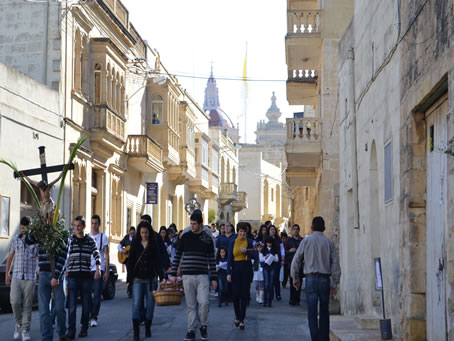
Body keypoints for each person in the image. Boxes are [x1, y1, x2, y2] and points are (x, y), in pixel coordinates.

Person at [169, 210, 217, 341]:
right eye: (191, 223)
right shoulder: (185, 236)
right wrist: (173, 273)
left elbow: (212, 259)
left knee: (204, 303)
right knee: (190, 305)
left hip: (202, 276)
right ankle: (191, 330)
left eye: (195, 224)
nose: (192, 226)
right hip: (187, 276)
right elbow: (178, 255)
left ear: (200, 224)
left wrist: (214, 278)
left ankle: (203, 326)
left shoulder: (207, 238)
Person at [291, 216, 341, 341]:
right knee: (324, 311)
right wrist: (335, 282)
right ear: (324, 228)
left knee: (312, 311)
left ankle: (314, 338)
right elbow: (335, 262)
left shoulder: (306, 241)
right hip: (324, 279)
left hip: (311, 279)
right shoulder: (329, 242)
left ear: (312, 228)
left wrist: (295, 278)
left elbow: (296, 260)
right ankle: (324, 338)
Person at [25, 225, 68, 341]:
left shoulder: (63, 233)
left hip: (58, 275)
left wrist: (56, 276)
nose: (48, 217)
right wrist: (34, 228)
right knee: (44, 310)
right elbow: (28, 241)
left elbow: (64, 256)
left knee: (59, 308)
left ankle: (62, 332)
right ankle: (46, 337)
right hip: (43, 274)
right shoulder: (41, 231)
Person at [128, 221, 165, 341]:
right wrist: (129, 279)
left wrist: (162, 277)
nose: (144, 235)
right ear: (139, 233)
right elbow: (131, 262)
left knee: (150, 305)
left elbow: (158, 262)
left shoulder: (153, 244)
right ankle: (136, 332)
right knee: (136, 304)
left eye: (146, 233)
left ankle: (148, 326)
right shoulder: (135, 244)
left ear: (149, 233)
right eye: (142, 233)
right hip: (138, 279)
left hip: (151, 279)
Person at [66, 216, 101, 339]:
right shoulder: (70, 240)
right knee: (72, 305)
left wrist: (97, 269)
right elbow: (65, 256)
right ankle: (71, 330)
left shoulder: (90, 240)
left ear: (84, 226)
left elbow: (96, 254)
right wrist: (66, 270)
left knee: (86, 304)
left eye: (79, 226)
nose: (76, 228)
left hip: (86, 277)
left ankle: (84, 328)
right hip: (72, 277)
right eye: (75, 226)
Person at [5, 217, 39, 341]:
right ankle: (18, 323)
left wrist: (38, 270)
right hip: (16, 276)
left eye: (27, 226)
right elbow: (9, 258)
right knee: (14, 302)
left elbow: (37, 259)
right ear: (20, 226)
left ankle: (25, 330)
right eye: (23, 226)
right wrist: (7, 275)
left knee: (28, 305)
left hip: (30, 277)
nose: (24, 228)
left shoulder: (35, 241)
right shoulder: (15, 240)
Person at [226, 222, 254, 330]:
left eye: (244, 231)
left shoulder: (249, 242)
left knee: (243, 295)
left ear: (246, 232)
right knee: (235, 295)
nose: (242, 233)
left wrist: (247, 251)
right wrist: (228, 273)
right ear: (237, 232)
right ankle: (237, 316)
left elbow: (254, 256)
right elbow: (229, 259)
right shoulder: (232, 242)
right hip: (236, 269)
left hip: (246, 269)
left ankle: (242, 319)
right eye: (240, 231)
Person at [88, 214, 109, 328]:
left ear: (99, 224)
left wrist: (106, 271)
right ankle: (89, 314)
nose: (94, 225)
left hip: (98, 269)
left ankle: (94, 317)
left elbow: (106, 254)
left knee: (96, 294)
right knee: (87, 295)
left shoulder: (103, 237)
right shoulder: (87, 236)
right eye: (92, 223)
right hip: (87, 269)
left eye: (96, 223)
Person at [286, 224, 303, 306]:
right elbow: (284, 253)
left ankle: (298, 299)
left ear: (299, 230)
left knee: (299, 282)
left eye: (297, 229)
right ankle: (292, 299)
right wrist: (290, 251)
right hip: (291, 264)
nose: (296, 230)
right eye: (294, 229)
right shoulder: (289, 241)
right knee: (293, 282)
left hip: (300, 265)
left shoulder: (302, 240)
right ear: (292, 231)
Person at [260, 237, 279, 307]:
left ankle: (269, 301)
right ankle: (265, 301)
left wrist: (272, 257)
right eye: (268, 243)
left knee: (271, 284)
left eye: (270, 243)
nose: (269, 244)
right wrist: (265, 257)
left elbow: (277, 259)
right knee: (266, 284)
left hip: (272, 268)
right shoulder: (263, 250)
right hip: (265, 267)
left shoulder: (274, 250)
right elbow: (260, 259)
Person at [118, 226, 136, 298]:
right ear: (128, 232)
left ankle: (132, 289)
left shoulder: (136, 239)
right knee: (130, 272)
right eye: (131, 233)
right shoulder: (126, 239)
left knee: (133, 273)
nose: (132, 234)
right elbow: (119, 246)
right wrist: (123, 251)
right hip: (127, 259)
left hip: (134, 258)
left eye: (133, 233)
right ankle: (129, 289)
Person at [269, 225, 283, 301]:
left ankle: (278, 294)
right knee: (270, 279)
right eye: (271, 229)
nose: (272, 231)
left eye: (274, 229)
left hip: (277, 260)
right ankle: (270, 295)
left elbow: (282, 249)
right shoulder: (267, 239)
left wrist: (282, 259)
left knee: (276, 279)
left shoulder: (279, 239)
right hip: (268, 261)